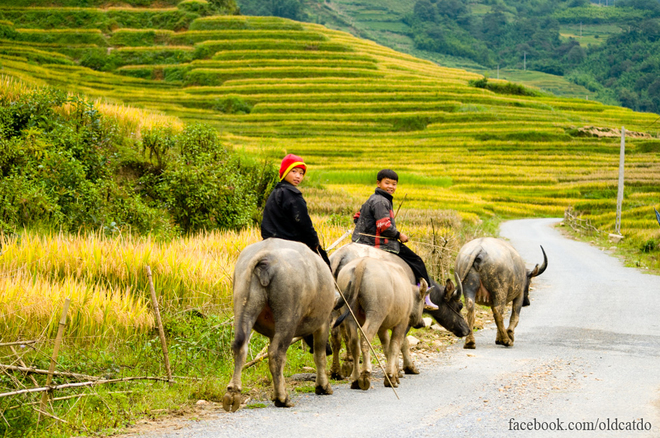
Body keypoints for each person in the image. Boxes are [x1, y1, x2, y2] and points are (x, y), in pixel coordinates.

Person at [351, 169, 439, 309]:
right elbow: (385, 227)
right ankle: (424, 296)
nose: (391, 187)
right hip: (379, 243)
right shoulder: (381, 201)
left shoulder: (373, 198)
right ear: (378, 183)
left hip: (360, 241)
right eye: (387, 183)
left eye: (394, 184)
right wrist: (399, 235)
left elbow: (357, 217)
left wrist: (367, 228)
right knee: (417, 261)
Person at [261, 153, 332, 269]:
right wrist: (315, 244)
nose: (298, 176)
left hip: (269, 242)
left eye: (301, 173)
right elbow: (305, 224)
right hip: (290, 244)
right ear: (284, 172)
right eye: (293, 171)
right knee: (325, 267)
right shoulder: (293, 196)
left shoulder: (274, 193)